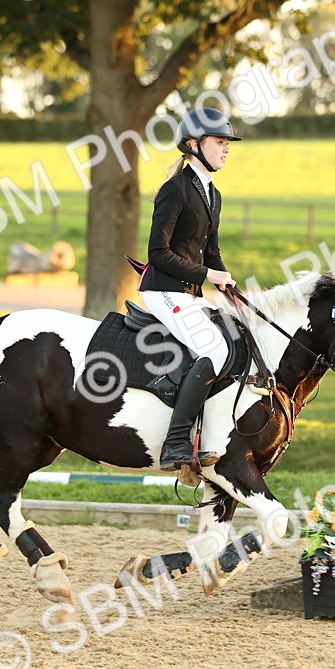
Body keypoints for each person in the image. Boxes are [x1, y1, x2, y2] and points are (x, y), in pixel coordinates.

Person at [138, 108, 241, 471]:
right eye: (220, 142)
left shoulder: (213, 194)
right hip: (163, 289)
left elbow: (211, 252)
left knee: (234, 339)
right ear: (194, 145)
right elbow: (158, 253)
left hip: (189, 292)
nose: (226, 148)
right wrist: (208, 274)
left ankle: (207, 434)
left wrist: (225, 280)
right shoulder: (176, 189)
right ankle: (175, 443)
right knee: (213, 348)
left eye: (227, 143)